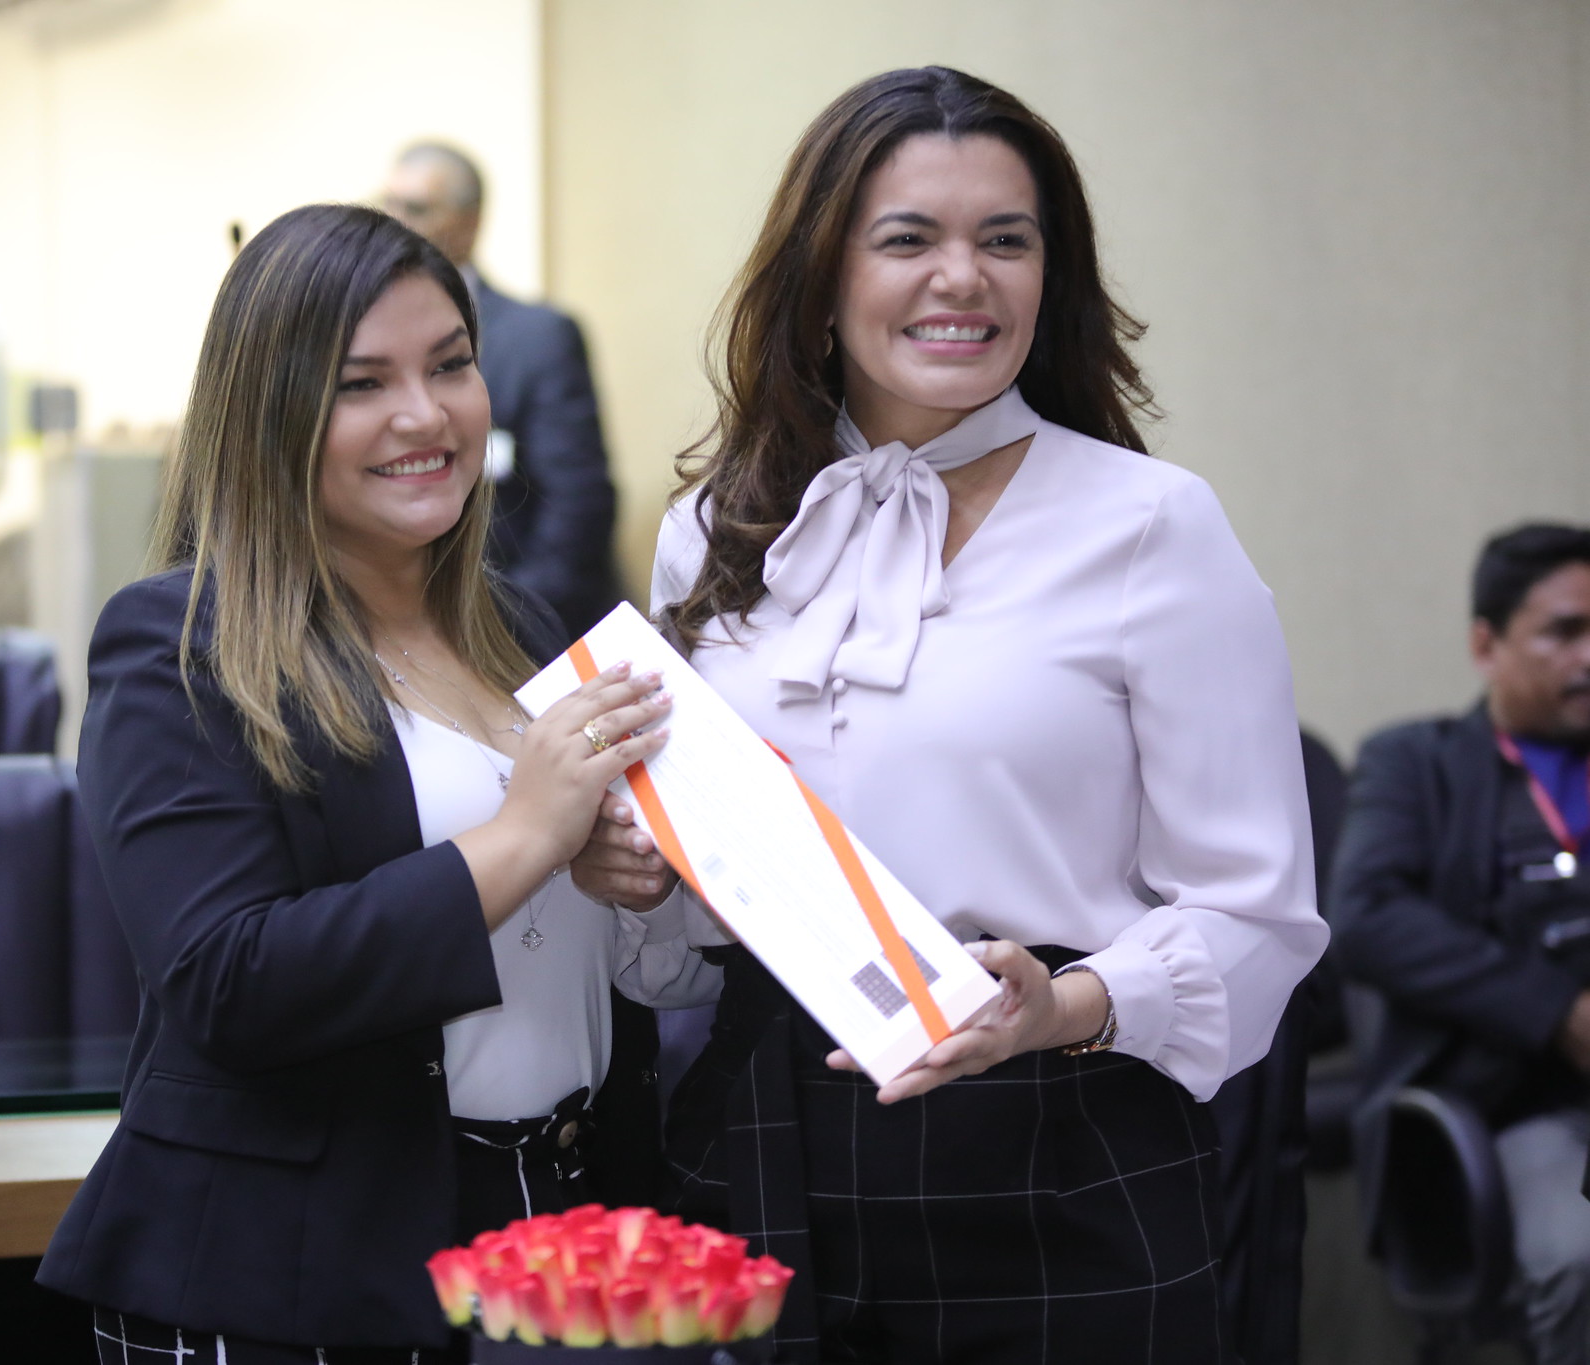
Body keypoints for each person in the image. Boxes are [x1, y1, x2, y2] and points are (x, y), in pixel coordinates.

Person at [571, 67, 1324, 1363]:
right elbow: (700, 895)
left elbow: (1257, 914)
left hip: (1056, 1138)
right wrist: (633, 876)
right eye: (906, 237)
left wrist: (1066, 1006)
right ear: (819, 276)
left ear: (1051, 276)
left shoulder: (1150, 524)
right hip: (756, 1136)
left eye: (1004, 240)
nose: (960, 277)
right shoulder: (713, 527)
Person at [34, 203, 718, 1362]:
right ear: (271, 413)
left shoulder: (519, 623)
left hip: (569, 1226)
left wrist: (622, 880)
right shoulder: (178, 644)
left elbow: (570, 944)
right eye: (362, 384)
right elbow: (229, 981)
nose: (425, 413)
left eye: (451, 364)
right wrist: (524, 837)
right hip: (308, 1267)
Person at [1335, 524, 1590, 1365]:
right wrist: (1557, 1011)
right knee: (1581, 1256)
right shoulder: (1414, 762)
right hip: (1511, 1106)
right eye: (1563, 631)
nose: (1588, 656)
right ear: (1486, 642)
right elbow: (1365, 917)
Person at [383, 142, 622, 637]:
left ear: (470, 222)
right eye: (388, 204)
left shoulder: (536, 338)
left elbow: (577, 507)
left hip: (514, 623)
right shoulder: (357, 334)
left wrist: (498, 626)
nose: (395, 222)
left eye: (417, 208)